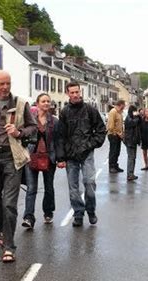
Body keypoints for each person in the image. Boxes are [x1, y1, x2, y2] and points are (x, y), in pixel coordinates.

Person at [0, 71, 37, 263]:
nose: (5, 87)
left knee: (9, 204)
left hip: (12, 157)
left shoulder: (21, 103)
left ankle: (9, 247)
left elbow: (33, 127)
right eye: (2, 84)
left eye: (8, 83)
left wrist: (18, 132)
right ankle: (3, 229)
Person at [56, 82, 106, 227]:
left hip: (86, 153)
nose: (75, 95)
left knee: (89, 183)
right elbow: (60, 136)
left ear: (80, 92)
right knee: (73, 188)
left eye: (77, 92)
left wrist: (90, 145)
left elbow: (101, 131)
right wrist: (61, 157)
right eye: (72, 92)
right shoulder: (64, 112)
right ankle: (78, 213)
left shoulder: (90, 110)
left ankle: (91, 210)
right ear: (68, 94)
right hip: (70, 155)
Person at [22, 93, 60, 229]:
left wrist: (60, 158)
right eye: (43, 101)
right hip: (31, 158)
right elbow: (23, 137)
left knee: (48, 187)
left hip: (49, 158)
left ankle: (48, 212)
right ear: (37, 104)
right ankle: (28, 217)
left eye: (48, 101)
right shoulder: (29, 120)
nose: (46, 104)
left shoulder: (54, 121)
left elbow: (58, 141)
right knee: (31, 188)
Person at [107, 100, 125, 173]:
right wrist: (117, 133)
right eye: (124, 105)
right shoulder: (113, 112)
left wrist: (121, 132)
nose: (124, 107)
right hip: (113, 134)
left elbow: (120, 124)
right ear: (120, 105)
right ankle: (111, 167)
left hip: (118, 135)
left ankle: (115, 165)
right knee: (113, 151)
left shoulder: (120, 112)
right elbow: (111, 126)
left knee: (117, 151)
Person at [124, 105, 142, 181]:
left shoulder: (132, 117)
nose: (136, 112)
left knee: (133, 157)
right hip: (130, 140)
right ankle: (130, 174)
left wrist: (139, 116)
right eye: (135, 111)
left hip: (133, 140)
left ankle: (131, 173)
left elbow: (139, 122)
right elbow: (133, 123)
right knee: (131, 157)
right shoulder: (128, 118)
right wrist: (137, 117)